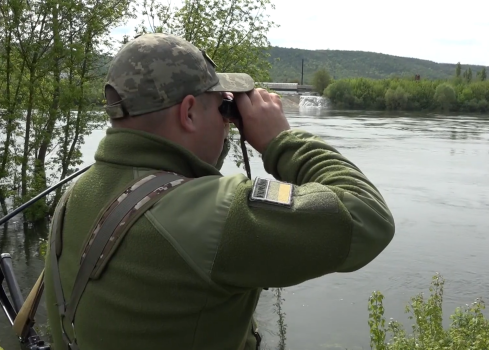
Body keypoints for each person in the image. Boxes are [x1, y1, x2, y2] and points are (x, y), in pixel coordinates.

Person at [43, 33, 396, 350]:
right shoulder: (217, 217)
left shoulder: (75, 198)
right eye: (221, 107)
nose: (227, 120)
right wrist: (280, 142)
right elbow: (367, 216)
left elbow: (179, 179)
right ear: (190, 113)